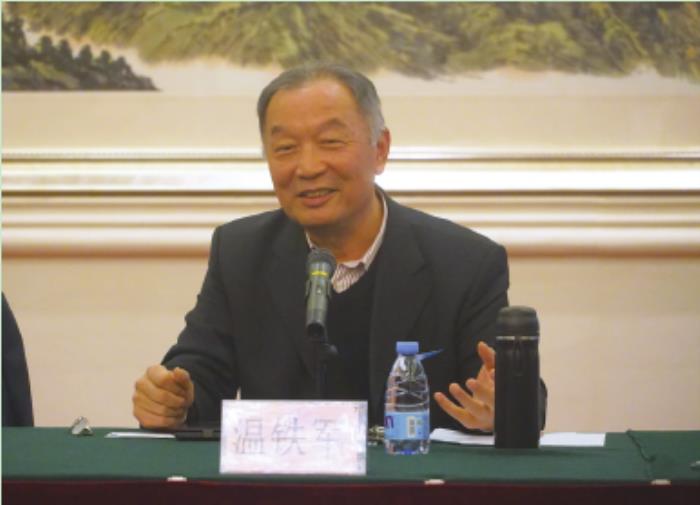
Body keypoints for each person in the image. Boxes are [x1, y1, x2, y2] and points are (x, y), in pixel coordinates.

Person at [133, 63, 543, 433]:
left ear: (380, 149)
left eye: (330, 141)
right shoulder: (240, 252)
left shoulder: (464, 263)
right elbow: (199, 372)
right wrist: (173, 398)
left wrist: (503, 407)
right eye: (285, 148)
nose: (308, 167)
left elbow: (513, 392)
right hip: (280, 482)